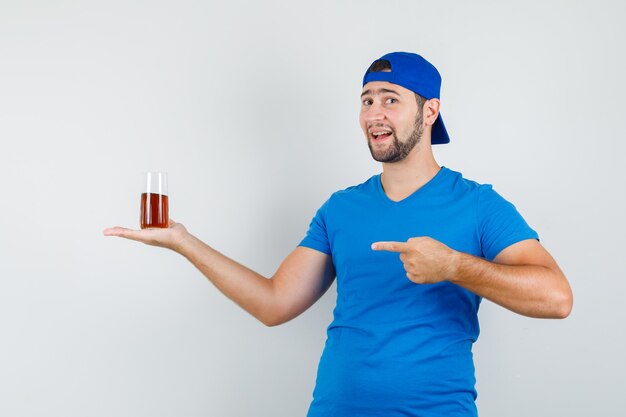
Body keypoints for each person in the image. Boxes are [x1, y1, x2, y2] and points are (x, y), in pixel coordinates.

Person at [103, 51, 573, 417]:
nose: (374, 114)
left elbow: (556, 298)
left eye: (391, 98)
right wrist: (184, 242)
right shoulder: (341, 208)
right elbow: (273, 304)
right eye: (367, 100)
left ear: (430, 111)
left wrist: (454, 266)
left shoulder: (477, 204)